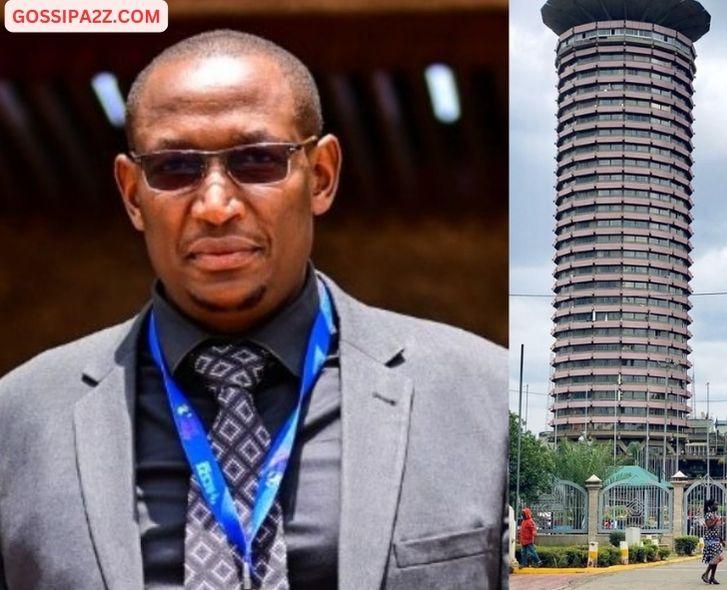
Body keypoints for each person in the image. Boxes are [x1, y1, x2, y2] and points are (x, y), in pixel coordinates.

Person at [0, 30, 506, 590]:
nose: (216, 206)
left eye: (258, 160)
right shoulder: (18, 420)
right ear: (131, 193)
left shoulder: (481, 394)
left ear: (321, 176)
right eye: (174, 167)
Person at [700, 499, 724, 585]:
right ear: (710, 506)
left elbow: (717, 529)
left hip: (716, 538)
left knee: (716, 558)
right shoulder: (708, 515)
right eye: (715, 505)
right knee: (715, 557)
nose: (717, 506)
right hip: (710, 539)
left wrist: (721, 539)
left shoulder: (715, 515)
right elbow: (709, 526)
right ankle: (705, 574)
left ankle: (712, 577)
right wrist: (716, 519)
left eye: (717, 505)